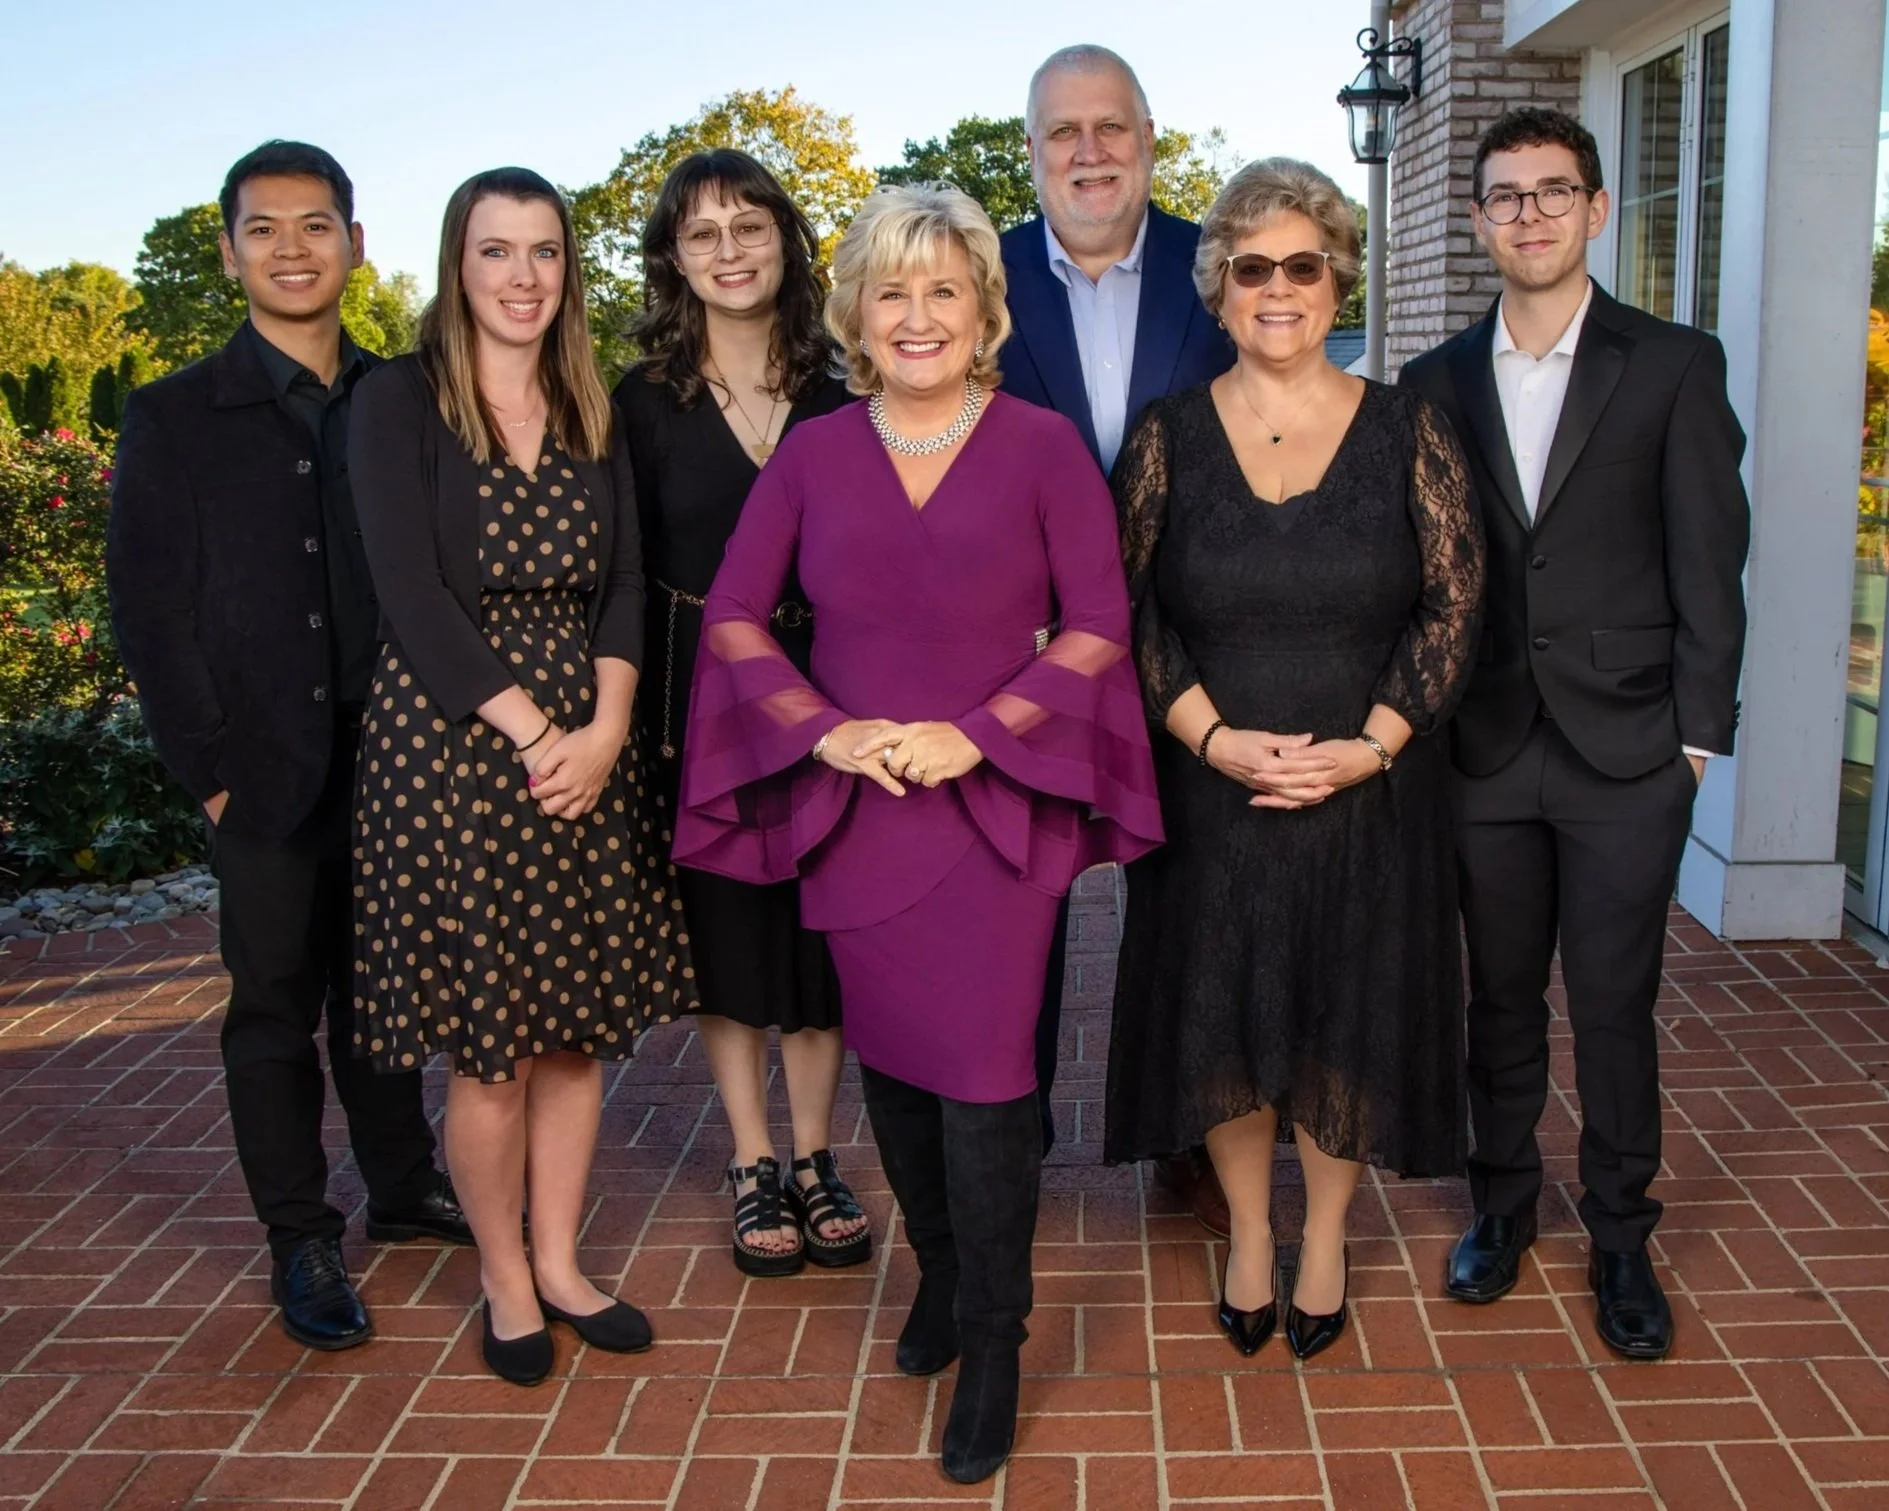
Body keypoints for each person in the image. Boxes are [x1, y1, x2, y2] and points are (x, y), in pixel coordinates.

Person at [672, 184, 1160, 1483]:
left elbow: (1103, 622)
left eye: (944, 287)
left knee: (992, 1078)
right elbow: (731, 612)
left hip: (994, 809)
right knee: (890, 1063)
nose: (918, 314)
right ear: (854, 312)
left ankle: (997, 1336)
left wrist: (982, 731)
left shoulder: (1045, 445)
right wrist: (820, 729)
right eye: (891, 290)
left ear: (984, 308)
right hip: (857, 807)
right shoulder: (817, 451)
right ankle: (940, 1276)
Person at [1105, 158, 1484, 1362]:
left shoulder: (1410, 426)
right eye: (1251, 267)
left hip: (1366, 786)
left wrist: (1368, 750)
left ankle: (1321, 1231)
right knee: (1225, 1008)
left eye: (1303, 266)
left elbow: (1453, 606)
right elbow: (1124, 615)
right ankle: (1249, 1237)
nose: (1278, 288)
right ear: (1218, 288)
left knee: (1342, 1012)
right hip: (1211, 788)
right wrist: (1211, 738)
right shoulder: (1162, 437)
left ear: (1336, 282)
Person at [106, 141, 470, 1355]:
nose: (292, 249)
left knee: (386, 988)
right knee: (273, 1003)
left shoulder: (406, 396)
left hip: (395, 753)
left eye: (316, 225)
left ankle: (404, 1182)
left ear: (357, 244)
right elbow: (149, 609)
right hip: (257, 762)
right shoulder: (172, 416)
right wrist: (205, 763)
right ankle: (299, 1231)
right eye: (264, 229)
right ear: (229, 250)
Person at [1400, 109, 1749, 1362]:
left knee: (1611, 1002)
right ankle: (1500, 1207)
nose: (1530, 214)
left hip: (1629, 750)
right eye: (1505, 196)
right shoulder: (1430, 382)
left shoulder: (1670, 363)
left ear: (1596, 209)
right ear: (1479, 220)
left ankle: (1618, 1236)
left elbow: (1712, 558)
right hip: (1482, 745)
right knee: (1494, 999)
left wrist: (1695, 739)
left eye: (1554, 192)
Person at [348, 167, 676, 1386]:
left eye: (543, 252)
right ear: (457, 264)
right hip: (455, 751)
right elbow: (409, 597)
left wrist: (604, 728)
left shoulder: (591, 402)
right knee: (491, 1048)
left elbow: (629, 582)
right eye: (497, 252)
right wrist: (537, 733)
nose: (522, 276)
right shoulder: (398, 402)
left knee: (576, 1034)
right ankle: (500, 1272)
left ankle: (562, 1259)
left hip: (587, 746)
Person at [613, 149, 868, 1277]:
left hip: (831, 690)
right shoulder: (638, 402)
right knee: (725, 932)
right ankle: (751, 1156)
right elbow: (619, 569)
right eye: (701, 232)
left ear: (784, 239)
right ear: (674, 256)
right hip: (700, 700)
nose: (727, 250)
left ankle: (816, 1156)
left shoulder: (843, 384)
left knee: (818, 937)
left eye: (748, 225)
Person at [999, 44, 1233, 1234]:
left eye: (1109, 127)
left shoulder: (1221, 268)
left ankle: (1181, 1123)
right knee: (1025, 886)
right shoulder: (975, 281)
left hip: (1195, 645)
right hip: (1025, 650)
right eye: (1062, 132)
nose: (1087, 152)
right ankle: (1013, 1127)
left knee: (1183, 893)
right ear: (1031, 149)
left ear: (1148, 138)